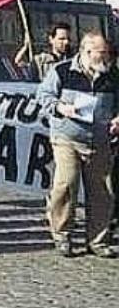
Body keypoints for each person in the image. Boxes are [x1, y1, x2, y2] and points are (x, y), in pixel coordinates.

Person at [37, 30, 118, 258]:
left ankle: (98, 240)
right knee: (66, 183)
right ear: (86, 51)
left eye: (107, 53)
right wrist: (60, 107)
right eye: (101, 53)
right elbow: (43, 95)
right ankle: (62, 234)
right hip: (67, 138)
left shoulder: (113, 75)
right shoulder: (61, 71)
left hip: (100, 141)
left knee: (102, 191)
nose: (106, 58)